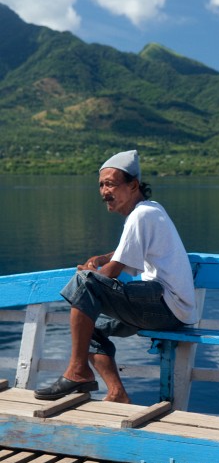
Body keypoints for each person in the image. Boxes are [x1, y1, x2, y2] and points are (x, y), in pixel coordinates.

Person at [35, 150, 197, 403]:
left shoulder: (141, 215)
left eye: (110, 184)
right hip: (170, 310)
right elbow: (126, 251)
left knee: (84, 283)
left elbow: (112, 273)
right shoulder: (150, 210)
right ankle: (117, 393)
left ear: (133, 185)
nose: (103, 192)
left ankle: (77, 371)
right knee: (92, 330)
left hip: (165, 306)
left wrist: (92, 274)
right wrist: (100, 260)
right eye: (101, 185)